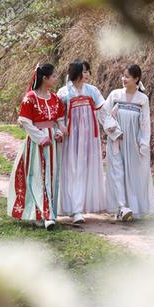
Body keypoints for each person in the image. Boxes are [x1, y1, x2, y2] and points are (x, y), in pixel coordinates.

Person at [7, 63, 65, 231]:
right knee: (38, 177)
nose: (55, 79)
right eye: (53, 76)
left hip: (52, 144)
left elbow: (58, 122)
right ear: (45, 78)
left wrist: (59, 133)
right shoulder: (30, 98)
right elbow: (26, 122)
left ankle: (48, 213)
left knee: (51, 177)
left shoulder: (55, 98)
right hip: (36, 143)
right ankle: (43, 214)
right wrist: (40, 138)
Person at [57, 60, 108, 224]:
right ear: (76, 73)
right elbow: (57, 116)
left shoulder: (92, 91)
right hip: (71, 137)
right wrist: (60, 130)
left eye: (88, 71)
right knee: (72, 169)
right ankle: (74, 209)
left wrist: (113, 128)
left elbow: (104, 111)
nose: (87, 75)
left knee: (85, 169)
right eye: (84, 71)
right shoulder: (64, 93)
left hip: (89, 138)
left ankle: (79, 207)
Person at [102, 64, 154, 221]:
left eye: (127, 77)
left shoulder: (142, 99)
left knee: (133, 174)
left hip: (134, 143)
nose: (123, 79)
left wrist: (144, 144)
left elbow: (145, 124)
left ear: (136, 79)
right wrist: (114, 131)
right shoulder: (115, 95)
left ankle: (133, 206)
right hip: (116, 141)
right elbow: (104, 114)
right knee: (117, 172)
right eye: (123, 76)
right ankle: (121, 206)